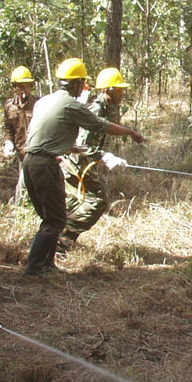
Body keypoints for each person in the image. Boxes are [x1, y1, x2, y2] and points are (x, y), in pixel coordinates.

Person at [21, 58, 145, 277]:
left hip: (31, 162)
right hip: (45, 165)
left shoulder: (43, 101)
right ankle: (35, 267)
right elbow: (101, 126)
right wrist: (130, 133)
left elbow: (47, 134)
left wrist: (71, 148)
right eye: (82, 83)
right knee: (56, 220)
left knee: (51, 217)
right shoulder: (71, 105)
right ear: (77, 83)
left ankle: (46, 265)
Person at [58, 67, 140, 253]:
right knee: (98, 202)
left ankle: (60, 242)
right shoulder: (96, 108)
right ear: (109, 90)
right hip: (74, 164)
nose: (122, 93)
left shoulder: (104, 108)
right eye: (119, 89)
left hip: (80, 164)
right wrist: (105, 156)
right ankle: (62, 241)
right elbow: (81, 144)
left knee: (73, 204)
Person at [3, 66, 38, 202]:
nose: (24, 89)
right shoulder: (9, 106)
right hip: (21, 152)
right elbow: (8, 128)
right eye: (20, 86)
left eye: (27, 86)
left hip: (36, 150)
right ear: (14, 87)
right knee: (27, 182)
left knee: (26, 183)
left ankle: (20, 206)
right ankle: (24, 207)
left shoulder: (38, 104)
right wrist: (8, 142)